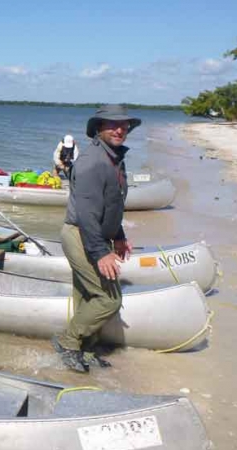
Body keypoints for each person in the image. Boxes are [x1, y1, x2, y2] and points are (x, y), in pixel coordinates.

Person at [52, 105, 141, 373]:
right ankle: (68, 342)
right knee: (108, 299)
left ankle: (85, 350)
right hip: (81, 234)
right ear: (98, 129)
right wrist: (101, 252)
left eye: (124, 125)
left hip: (94, 235)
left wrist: (120, 237)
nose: (119, 129)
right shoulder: (92, 162)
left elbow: (112, 205)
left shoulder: (114, 159)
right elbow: (88, 214)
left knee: (86, 296)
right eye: (112, 125)